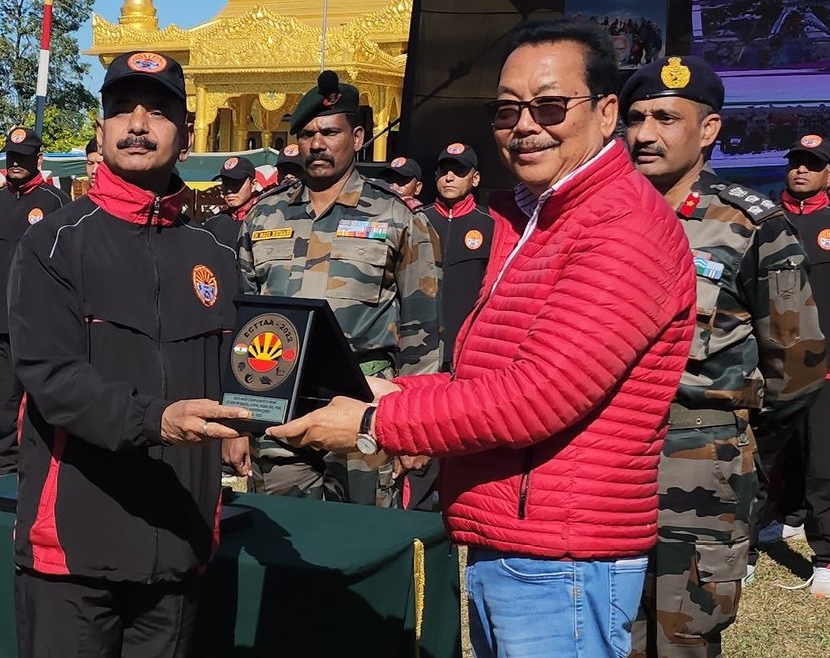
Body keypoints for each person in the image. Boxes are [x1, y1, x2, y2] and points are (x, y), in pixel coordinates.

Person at [266, 21, 697, 657]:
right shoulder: (541, 217)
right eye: (507, 109)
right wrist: (393, 391)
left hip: (561, 554)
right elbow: (490, 377)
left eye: (550, 106)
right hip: (519, 537)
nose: (525, 126)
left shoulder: (618, 227)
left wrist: (375, 423)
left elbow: (538, 396)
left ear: (606, 113)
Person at [8, 50, 249, 657]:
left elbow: (245, 370)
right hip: (76, 551)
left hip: (179, 544)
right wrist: (155, 419)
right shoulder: (52, 244)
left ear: (186, 135)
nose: (138, 124)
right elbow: (53, 378)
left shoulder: (215, 254)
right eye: (122, 109)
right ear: (101, 130)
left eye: (158, 111)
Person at [620, 55, 826, 657]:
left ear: (708, 129)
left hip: (702, 466)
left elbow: (798, 364)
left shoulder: (752, 227)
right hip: (608, 463)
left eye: (665, 118)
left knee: (683, 637)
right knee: (609, 632)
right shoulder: (602, 217)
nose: (645, 134)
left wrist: (739, 442)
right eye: (635, 118)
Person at [228, 69, 441, 508]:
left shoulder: (396, 216)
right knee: (283, 530)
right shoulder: (264, 215)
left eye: (330, 132)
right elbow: (242, 324)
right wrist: (239, 421)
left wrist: (417, 423)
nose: (317, 144)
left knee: (361, 535)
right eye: (307, 134)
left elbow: (423, 328)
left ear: (357, 137)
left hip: (364, 400)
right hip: (280, 398)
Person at [756, 133, 830, 597]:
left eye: (812, 163)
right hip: (770, 363)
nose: (801, 170)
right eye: (796, 162)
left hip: (823, 365)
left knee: (822, 459)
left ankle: (825, 557)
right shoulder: (766, 220)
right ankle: (783, 518)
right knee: (773, 455)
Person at [0, 126, 70, 475]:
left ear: (39, 159)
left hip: (41, 320)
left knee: (43, 395)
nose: (16, 163)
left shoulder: (56, 203)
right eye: (12, 156)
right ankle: (6, 463)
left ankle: (43, 460)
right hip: (0, 316)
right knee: (5, 396)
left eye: (24, 157)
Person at [423, 143, 495, 372]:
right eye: (444, 171)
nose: (449, 178)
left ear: (475, 178)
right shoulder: (417, 220)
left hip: (467, 347)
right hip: (420, 347)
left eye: (459, 171)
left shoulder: (491, 223)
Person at [203, 155, 259, 246]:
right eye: (226, 183)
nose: (229, 190)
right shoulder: (213, 223)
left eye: (236, 183)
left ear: (253, 185)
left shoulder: (266, 218)